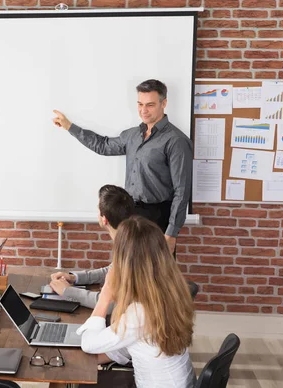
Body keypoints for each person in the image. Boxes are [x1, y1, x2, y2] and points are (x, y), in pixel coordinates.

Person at [53, 79, 193, 254]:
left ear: (163, 103)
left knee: (155, 275)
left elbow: (182, 190)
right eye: (140, 104)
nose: (143, 110)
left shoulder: (176, 141)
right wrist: (70, 127)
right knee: (128, 270)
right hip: (130, 214)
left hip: (158, 217)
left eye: (150, 105)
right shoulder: (132, 135)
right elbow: (103, 146)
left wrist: (171, 233)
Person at [77, 216, 196, 388]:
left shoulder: (140, 312)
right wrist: (97, 355)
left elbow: (88, 344)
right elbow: (133, 342)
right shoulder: (172, 292)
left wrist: (106, 293)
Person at [49, 185, 134, 308]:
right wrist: (74, 278)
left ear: (104, 219)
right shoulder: (127, 239)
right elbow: (112, 271)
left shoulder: (132, 249)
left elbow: (112, 304)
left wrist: (68, 291)